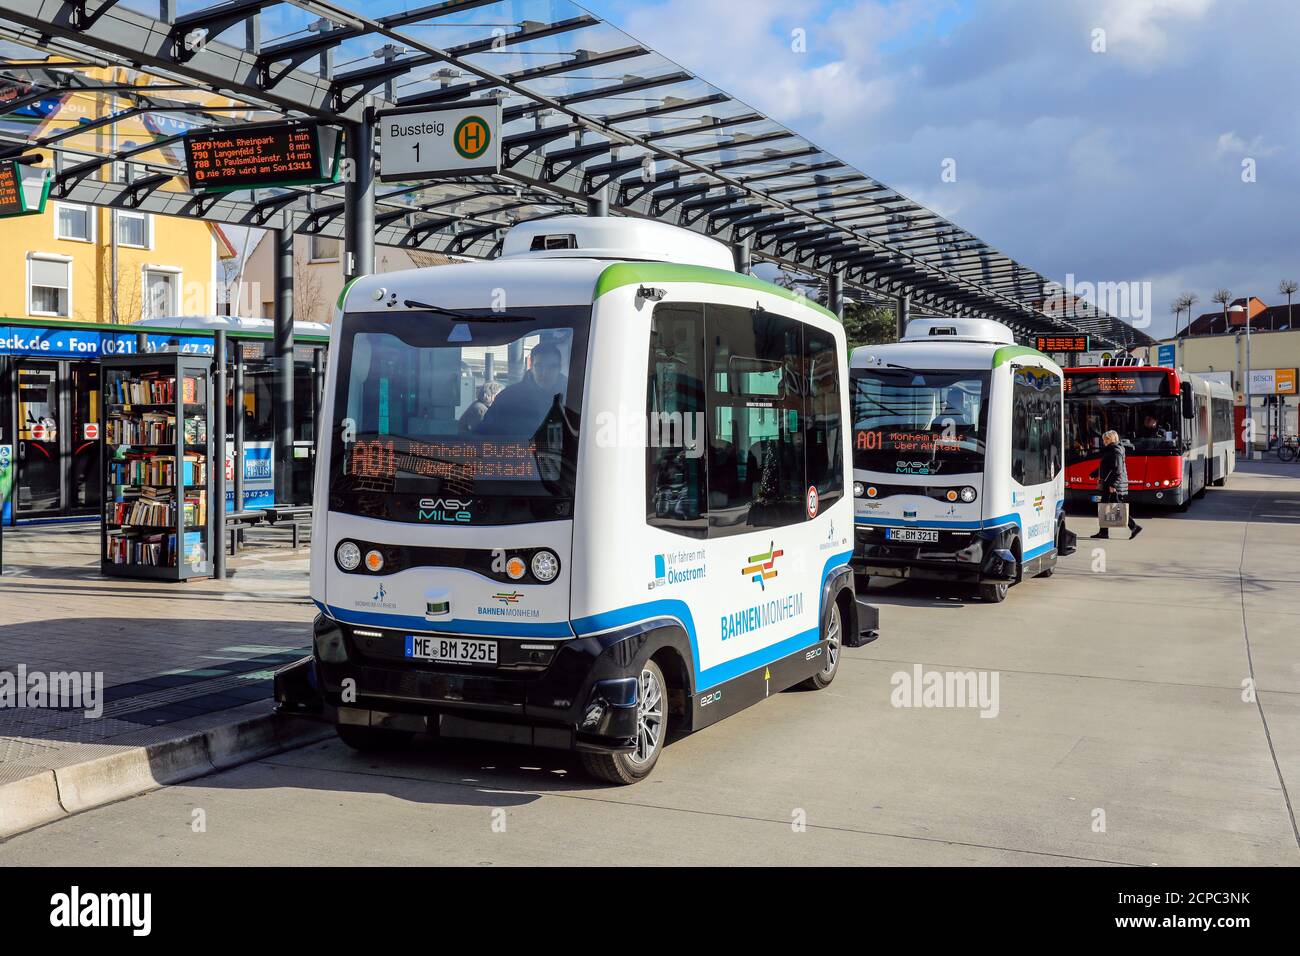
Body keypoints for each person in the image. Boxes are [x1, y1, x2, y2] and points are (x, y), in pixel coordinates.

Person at [478, 342, 568, 435]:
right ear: (531, 366)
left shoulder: (576, 398)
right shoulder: (508, 398)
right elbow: (483, 435)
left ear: (559, 368)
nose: (544, 373)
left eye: (552, 367)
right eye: (539, 366)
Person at [1092, 429, 1142, 540]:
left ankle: (1134, 527)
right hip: (1109, 482)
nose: (1104, 441)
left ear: (1112, 439)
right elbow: (1106, 466)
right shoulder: (1111, 450)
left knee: (1115, 507)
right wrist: (1094, 474)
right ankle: (1104, 532)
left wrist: (1113, 485)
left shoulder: (1115, 451)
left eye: (1106, 439)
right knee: (1107, 507)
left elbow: (1118, 470)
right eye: (1104, 439)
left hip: (1112, 484)